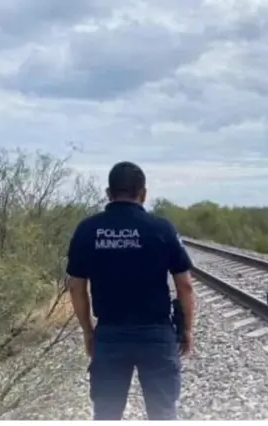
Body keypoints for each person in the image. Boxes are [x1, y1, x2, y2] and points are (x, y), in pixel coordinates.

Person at [66, 161, 196, 420]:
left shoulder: (88, 230)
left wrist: (88, 332)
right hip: (156, 335)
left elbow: (76, 288)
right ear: (143, 193)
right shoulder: (161, 228)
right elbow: (186, 285)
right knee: (163, 414)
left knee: (107, 414)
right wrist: (188, 328)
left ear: (108, 193)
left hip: (110, 335)